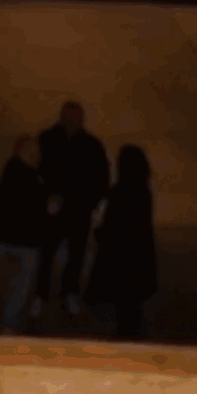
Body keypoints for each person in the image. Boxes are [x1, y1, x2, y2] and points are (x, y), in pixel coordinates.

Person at [34, 100, 110, 321]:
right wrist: (45, 198)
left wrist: (96, 204)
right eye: (69, 117)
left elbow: (100, 175)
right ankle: (41, 294)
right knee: (46, 253)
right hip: (52, 210)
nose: (73, 122)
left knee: (76, 254)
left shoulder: (91, 144)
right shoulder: (47, 140)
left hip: (80, 209)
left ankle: (69, 293)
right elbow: (37, 171)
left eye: (77, 118)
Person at [85, 145, 157, 342]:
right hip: (137, 258)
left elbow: (112, 226)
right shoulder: (143, 191)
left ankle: (125, 340)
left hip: (119, 258)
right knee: (132, 309)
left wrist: (101, 234)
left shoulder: (119, 192)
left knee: (123, 308)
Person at [0, 135, 48, 333]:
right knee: (22, 282)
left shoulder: (18, 171)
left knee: (19, 282)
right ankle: (11, 321)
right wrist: (47, 207)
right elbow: (27, 207)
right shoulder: (22, 174)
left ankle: (12, 319)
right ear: (23, 151)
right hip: (20, 240)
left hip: (16, 237)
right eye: (34, 151)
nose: (38, 155)